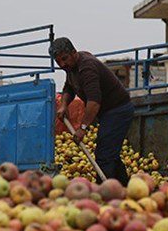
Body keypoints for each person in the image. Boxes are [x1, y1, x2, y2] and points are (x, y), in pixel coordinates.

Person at [49, 37, 134, 185]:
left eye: (64, 59)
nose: (62, 64)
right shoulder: (71, 67)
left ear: (74, 52)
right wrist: (63, 105)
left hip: (118, 110)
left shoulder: (87, 68)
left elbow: (94, 102)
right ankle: (124, 187)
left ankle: (105, 191)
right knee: (110, 154)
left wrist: (82, 128)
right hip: (107, 113)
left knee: (104, 155)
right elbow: (69, 87)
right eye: (58, 62)